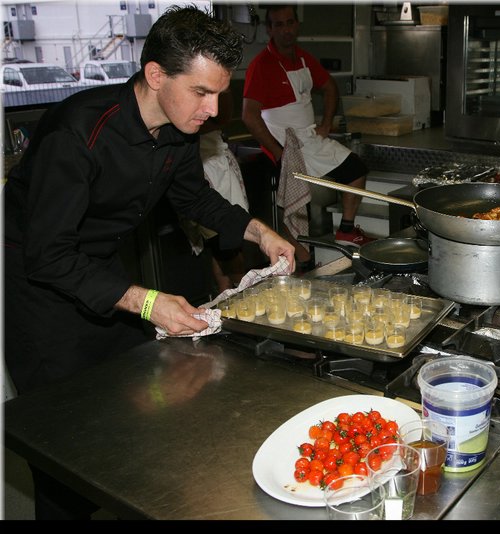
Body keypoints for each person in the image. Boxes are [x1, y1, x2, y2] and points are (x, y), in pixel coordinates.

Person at [2, 5, 294, 518]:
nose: (213, 108)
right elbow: (49, 254)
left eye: (220, 93)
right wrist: (145, 301)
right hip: (40, 288)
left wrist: (260, 231)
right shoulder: (78, 134)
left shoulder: (177, 130)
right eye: (201, 92)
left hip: (100, 270)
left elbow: (195, 200)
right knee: (65, 447)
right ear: (155, 75)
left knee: (131, 410)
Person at [241, 3, 374, 272]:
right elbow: (249, 115)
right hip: (283, 143)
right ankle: (301, 262)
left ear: (297, 25)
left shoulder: (303, 58)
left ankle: (346, 229)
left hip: (310, 138)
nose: (286, 30)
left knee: (356, 169)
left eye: (290, 23)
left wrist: (326, 123)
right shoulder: (261, 65)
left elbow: (329, 87)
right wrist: (279, 153)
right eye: (278, 25)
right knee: (296, 202)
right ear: (269, 29)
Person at [178, 89, 249, 291]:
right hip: (196, 169)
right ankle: (232, 296)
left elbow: (223, 118)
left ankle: (232, 295)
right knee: (218, 242)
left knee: (228, 241)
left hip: (216, 167)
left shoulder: (216, 94)